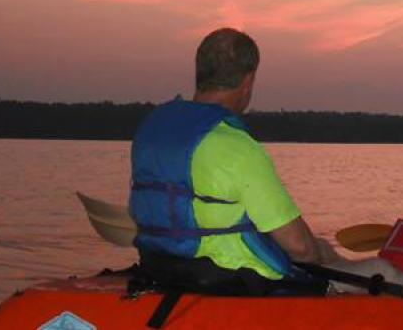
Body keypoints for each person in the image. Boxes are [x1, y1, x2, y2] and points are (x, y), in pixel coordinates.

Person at [129, 28, 343, 295]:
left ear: (200, 74)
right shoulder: (237, 147)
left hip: (162, 267)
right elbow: (300, 248)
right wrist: (321, 252)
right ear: (248, 81)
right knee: (323, 251)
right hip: (233, 282)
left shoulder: (151, 130)